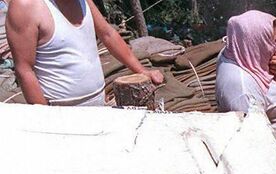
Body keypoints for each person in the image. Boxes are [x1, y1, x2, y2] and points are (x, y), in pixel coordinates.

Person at [6, 0, 163, 106]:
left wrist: (142, 71)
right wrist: (47, 119)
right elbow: (24, 69)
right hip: (60, 110)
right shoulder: (26, 6)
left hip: (98, 103)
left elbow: (108, 34)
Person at [215, 10, 276, 156]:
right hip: (273, 158)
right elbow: (252, 143)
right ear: (255, 43)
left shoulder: (242, 55)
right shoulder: (241, 90)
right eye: (273, 41)